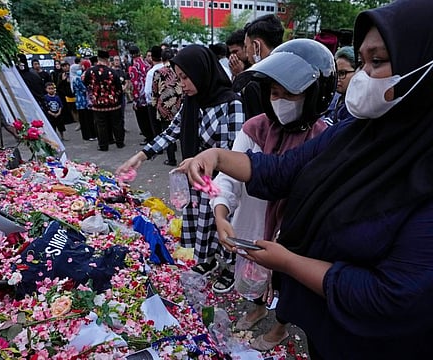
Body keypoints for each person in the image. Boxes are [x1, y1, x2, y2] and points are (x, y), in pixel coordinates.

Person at [180, 0, 433, 358]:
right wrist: (217, 157)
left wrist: (287, 262)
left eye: (377, 62)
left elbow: (392, 295)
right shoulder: (353, 134)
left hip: (379, 343)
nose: (361, 77)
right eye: (360, 63)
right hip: (325, 326)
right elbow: (282, 171)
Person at [211, 39, 332, 349]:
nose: (279, 101)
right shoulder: (255, 128)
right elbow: (229, 176)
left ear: (315, 95)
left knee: (287, 286)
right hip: (252, 225)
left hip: (294, 238)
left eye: (289, 94)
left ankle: (280, 327)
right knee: (253, 276)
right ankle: (257, 308)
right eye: (273, 93)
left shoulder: (324, 139)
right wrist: (221, 212)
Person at [116, 45, 244, 282]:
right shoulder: (191, 102)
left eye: (186, 78)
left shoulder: (231, 104)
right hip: (195, 179)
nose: (182, 84)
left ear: (202, 72)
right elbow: (171, 132)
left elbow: (234, 151)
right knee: (199, 222)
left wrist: (200, 159)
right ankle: (208, 260)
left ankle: (229, 266)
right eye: (179, 78)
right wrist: (140, 157)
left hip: (219, 181)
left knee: (220, 223)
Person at [242, 14, 284, 120]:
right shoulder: (292, 73)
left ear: (256, 46)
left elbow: (256, 131)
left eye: (246, 47)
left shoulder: (255, 85)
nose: (246, 54)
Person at [83, 49, 124, 151]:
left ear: (98, 59)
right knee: (117, 124)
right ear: (107, 59)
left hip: (98, 104)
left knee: (101, 125)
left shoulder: (90, 72)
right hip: (113, 103)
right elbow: (119, 87)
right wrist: (118, 98)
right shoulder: (112, 72)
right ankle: (119, 142)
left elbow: (86, 84)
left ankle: (103, 145)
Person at [150, 48, 182, 166]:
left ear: (162, 59)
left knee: (166, 132)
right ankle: (185, 158)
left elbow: (154, 90)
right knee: (182, 132)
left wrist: (154, 105)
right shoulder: (179, 69)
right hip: (179, 105)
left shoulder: (158, 72)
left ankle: (171, 159)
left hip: (164, 107)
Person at [322, 46, 356, 126]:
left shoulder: (355, 108)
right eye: (336, 73)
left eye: (342, 73)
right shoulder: (337, 97)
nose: (337, 79)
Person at [129, 45, 154, 145]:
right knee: (149, 118)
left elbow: (135, 84)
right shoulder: (146, 64)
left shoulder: (134, 66)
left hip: (140, 98)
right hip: (149, 96)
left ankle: (148, 137)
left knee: (142, 120)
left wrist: (135, 100)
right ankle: (152, 135)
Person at [145, 45, 164, 137]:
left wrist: (150, 101)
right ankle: (171, 146)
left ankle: (158, 147)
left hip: (154, 103)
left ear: (152, 57)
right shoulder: (169, 70)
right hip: (167, 101)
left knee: (156, 127)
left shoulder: (151, 72)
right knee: (167, 126)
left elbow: (148, 92)